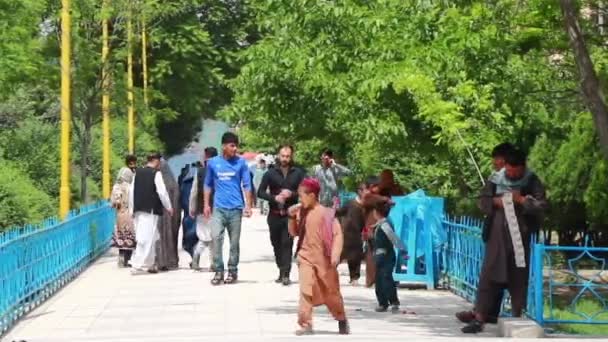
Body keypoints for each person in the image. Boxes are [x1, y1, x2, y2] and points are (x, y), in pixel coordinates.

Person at [461, 148, 547, 333]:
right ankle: (480, 318)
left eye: (515, 172)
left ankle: (517, 315)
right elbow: (483, 200)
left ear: (522, 168)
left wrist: (522, 200)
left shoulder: (532, 180)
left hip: (520, 235)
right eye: (508, 171)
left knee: (518, 275)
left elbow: (541, 205)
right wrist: (496, 202)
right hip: (497, 235)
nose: (511, 175)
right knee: (489, 274)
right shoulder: (495, 178)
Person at [456, 142, 516, 325]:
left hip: (510, 233)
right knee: (496, 273)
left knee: (494, 274)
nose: (494, 164)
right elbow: (485, 201)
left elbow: (487, 202)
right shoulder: (497, 178)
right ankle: (485, 313)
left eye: (496, 160)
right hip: (498, 231)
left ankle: (482, 315)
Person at [287, 178, 349, 335]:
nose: (300, 200)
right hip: (305, 257)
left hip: (324, 260)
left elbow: (337, 235)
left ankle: (341, 318)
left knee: (331, 292)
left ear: (313, 195)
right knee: (305, 289)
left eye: (302, 196)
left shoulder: (326, 214)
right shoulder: (301, 212)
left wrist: (335, 255)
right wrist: (291, 217)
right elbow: (293, 233)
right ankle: (305, 323)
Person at [204, 132, 253, 285]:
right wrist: (206, 204)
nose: (235, 149)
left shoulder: (241, 163)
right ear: (224, 146)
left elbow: (247, 184)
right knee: (216, 238)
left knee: (234, 243)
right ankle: (218, 271)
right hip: (219, 208)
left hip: (235, 209)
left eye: (236, 145)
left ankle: (232, 271)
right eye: (232, 145)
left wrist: (248, 205)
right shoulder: (212, 163)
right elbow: (207, 185)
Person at [257, 145, 306, 285]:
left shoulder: (298, 173)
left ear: (291, 156)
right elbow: (260, 192)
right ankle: (281, 269)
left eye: (288, 156)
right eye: (283, 156)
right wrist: (274, 198)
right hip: (274, 214)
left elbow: (304, 191)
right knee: (276, 243)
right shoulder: (270, 173)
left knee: (287, 243)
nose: (285, 159)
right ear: (278, 156)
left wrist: (292, 194)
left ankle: (286, 274)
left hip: (290, 215)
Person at [129, 152, 174, 274]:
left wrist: (131, 209)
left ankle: (150, 264)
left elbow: (131, 192)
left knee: (152, 237)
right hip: (151, 210)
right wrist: (169, 207)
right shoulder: (156, 174)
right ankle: (136, 263)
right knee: (146, 238)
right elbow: (162, 192)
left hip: (138, 210)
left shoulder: (137, 173)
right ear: (156, 160)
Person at [363, 194, 406, 313]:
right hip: (380, 257)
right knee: (379, 280)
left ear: (377, 212)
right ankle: (382, 303)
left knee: (386, 278)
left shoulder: (385, 225)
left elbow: (393, 238)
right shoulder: (379, 224)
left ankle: (393, 302)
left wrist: (403, 250)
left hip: (387, 256)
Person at [190, 147, 218, 271]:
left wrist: (192, 207)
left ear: (206, 157)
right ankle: (213, 263)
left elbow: (194, 191)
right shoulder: (220, 169)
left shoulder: (200, 171)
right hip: (217, 208)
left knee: (204, 237)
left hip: (202, 207)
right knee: (214, 237)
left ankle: (196, 259)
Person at [335, 182, 368, 286]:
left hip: (358, 234)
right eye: (365, 190)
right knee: (339, 255)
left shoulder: (367, 206)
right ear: (359, 191)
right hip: (346, 233)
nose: (367, 192)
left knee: (356, 257)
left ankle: (354, 277)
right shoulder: (351, 203)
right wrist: (333, 211)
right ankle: (327, 273)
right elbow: (340, 212)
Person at [111, 155, 137, 267]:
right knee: (130, 237)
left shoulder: (116, 186)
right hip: (129, 215)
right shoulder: (130, 186)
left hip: (119, 216)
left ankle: (121, 257)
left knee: (121, 237)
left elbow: (112, 203)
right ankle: (126, 259)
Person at [155, 159, 181, 271]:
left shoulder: (158, 183)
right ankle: (172, 260)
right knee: (171, 236)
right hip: (172, 216)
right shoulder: (174, 185)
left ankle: (161, 261)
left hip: (160, 214)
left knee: (160, 236)